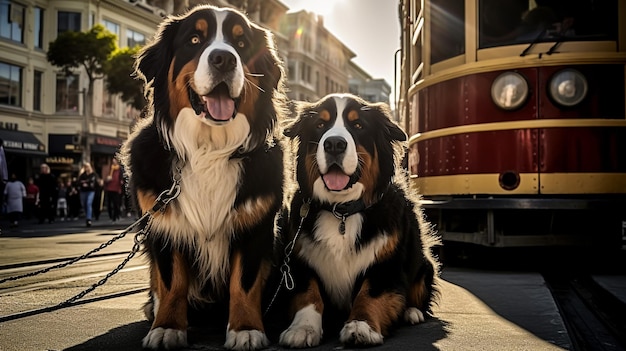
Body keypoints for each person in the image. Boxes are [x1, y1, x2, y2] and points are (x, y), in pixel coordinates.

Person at [104, 158, 123, 223]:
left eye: (114, 161)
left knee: (116, 204)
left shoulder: (119, 169)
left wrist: (121, 183)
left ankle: (115, 217)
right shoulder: (109, 169)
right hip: (109, 188)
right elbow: (105, 179)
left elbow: (121, 178)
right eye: (112, 162)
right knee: (109, 204)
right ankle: (111, 216)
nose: (113, 163)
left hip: (116, 188)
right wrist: (107, 179)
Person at [78, 162, 97, 227]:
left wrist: (86, 183)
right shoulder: (82, 175)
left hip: (90, 191)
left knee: (89, 203)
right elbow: (79, 182)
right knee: (84, 204)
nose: (87, 168)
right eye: (85, 167)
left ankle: (88, 219)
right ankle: (87, 215)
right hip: (83, 191)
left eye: (88, 166)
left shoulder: (93, 174)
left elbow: (93, 182)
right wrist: (84, 182)